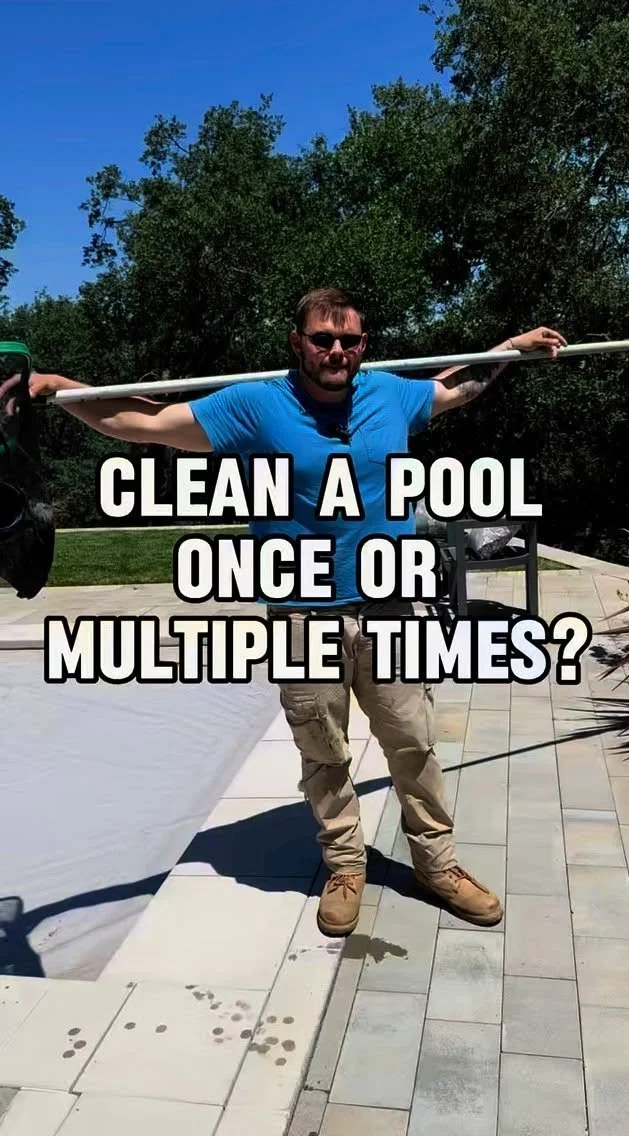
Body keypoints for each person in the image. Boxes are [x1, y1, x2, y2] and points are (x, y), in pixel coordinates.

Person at [30, 288, 566, 936]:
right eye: (322, 339)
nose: (336, 351)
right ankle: (345, 867)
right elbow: (143, 421)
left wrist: (513, 348)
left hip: (392, 605)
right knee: (324, 751)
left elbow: (458, 385)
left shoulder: (390, 394)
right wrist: (63, 389)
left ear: (364, 345)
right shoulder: (255, 406)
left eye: (349, 340)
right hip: (301, 615)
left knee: (414, 743)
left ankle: (438, 865)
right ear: (298, 342)